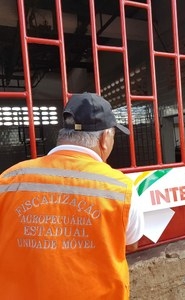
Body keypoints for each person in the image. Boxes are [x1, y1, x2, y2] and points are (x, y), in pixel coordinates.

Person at [0, 93, 144, 299]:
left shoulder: (9, 179)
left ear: (63, 134)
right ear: (105, 139)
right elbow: (131, 244)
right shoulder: (120, 188)